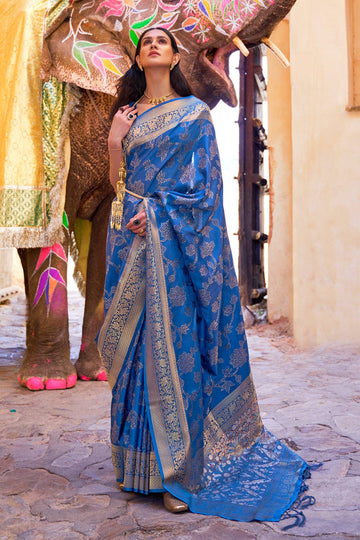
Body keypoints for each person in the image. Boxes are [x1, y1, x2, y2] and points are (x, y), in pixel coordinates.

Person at [97, 27, 313, 524]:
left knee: (175, 351)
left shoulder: (194, 113)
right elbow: (119, 183)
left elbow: (206, 188)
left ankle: (181, 474)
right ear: (137, 56)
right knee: (135, 355)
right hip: (132, 244)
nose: (153, 45)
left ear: (175, 57)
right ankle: (141, 470)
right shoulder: (126, 117)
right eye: (145, 40)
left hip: (174, 247)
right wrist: (114, 142)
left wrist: (159, 215)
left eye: (163, 41)